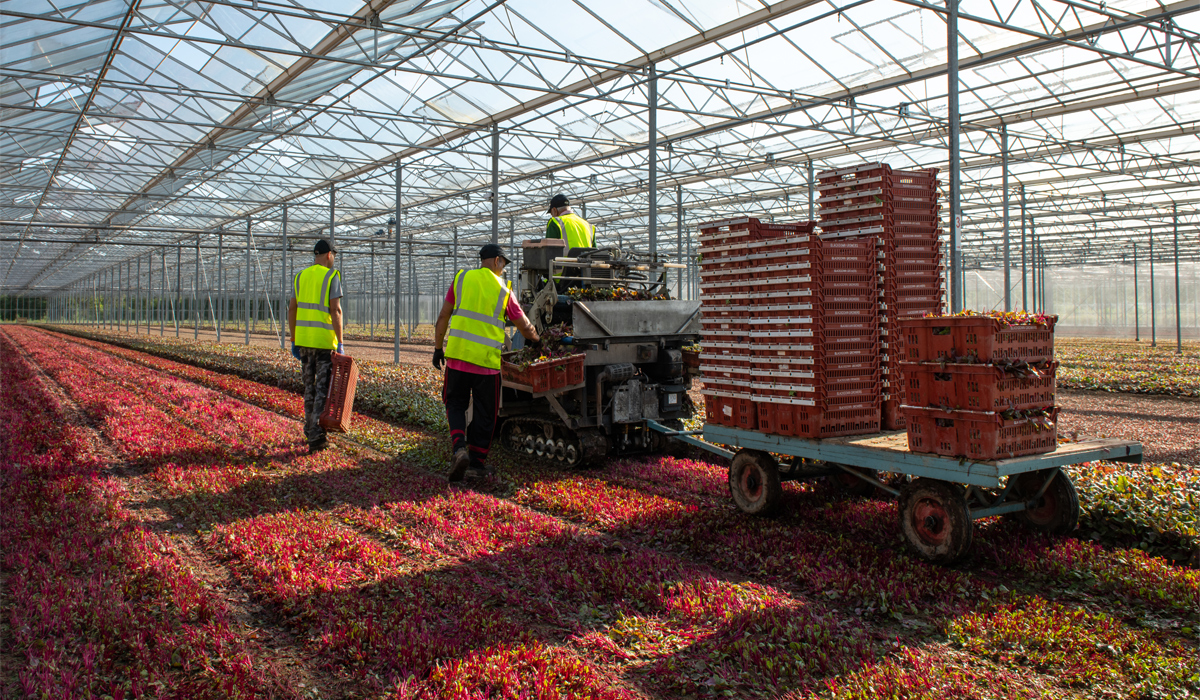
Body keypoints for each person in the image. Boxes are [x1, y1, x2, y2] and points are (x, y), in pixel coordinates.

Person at [433, 243, 540, 482]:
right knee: (485, 413)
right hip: (486, 365)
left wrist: (438, 348)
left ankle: (459, 447)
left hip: (458, 359)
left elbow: (443, 316)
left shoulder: (461, 279)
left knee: (455, 403)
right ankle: (477, 463)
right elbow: (523, 324)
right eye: (503, 263)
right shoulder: (503, 290)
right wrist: (536, 339)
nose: (503, 269)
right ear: (496, 261)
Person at [288, 238, 344, 454]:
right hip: (322, 343)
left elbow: (292, 309)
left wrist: (293, 339)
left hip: (303, 342)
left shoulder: (300, 276)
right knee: (322, 389)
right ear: (329, 255)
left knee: (309, 388)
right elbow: (335, 310)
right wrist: (340, 342)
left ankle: (309, 428)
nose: (334, 260)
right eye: (334, 257)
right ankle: (316, 437)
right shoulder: (332, 276)